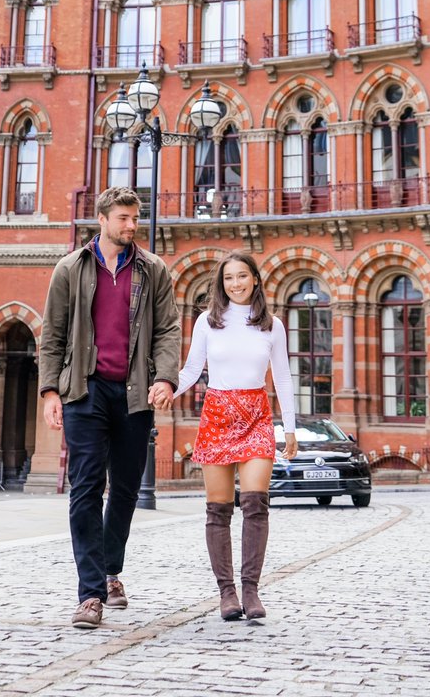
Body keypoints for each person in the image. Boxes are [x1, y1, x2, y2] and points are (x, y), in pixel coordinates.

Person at [40, 186, 181, 630]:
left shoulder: (153, 270)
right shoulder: (70, 269)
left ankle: (110, 568)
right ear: (102, 219)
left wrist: (165, 377)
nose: (131, 226)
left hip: (135, 391)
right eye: (122, 218)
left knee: (125, 488)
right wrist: (50, 393)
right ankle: (90, 594)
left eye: (134, 218)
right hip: (85, 390)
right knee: (85, 487)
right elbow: (53, 335)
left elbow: (168, 329)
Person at [169, 250, 297, 621]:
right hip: (218, 414)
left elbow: (284, 377)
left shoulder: (272, 325)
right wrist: (165, 388)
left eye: (242, 276)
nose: (236, 283)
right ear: (220, 284)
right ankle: (227, 593)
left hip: (257, 414)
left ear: (255, 279)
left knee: (256, 502)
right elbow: (192, 370)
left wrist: (288, 427)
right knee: (219, 509)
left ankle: (251, 591)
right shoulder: (208, 323)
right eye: (228, 278)